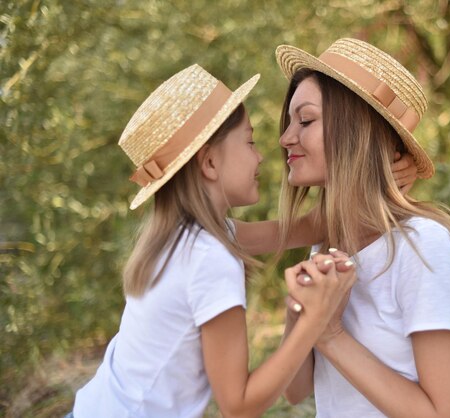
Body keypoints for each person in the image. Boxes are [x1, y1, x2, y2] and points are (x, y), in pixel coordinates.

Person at [70, 64, 357, 418]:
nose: (261, 155)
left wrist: (380, 168)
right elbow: (238, 405)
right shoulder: (209, 258)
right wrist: (317, 317)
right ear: (209, 163)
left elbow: (307, 227)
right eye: (250, 142)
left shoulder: (186, 237)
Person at [276, 38, 450, 417]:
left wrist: (330, 333)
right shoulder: (325, 250)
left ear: (355, 129)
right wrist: (298, 312)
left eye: (304, 120)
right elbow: (295, 389)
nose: (285, 138)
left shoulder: (423, 247)